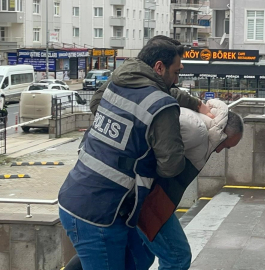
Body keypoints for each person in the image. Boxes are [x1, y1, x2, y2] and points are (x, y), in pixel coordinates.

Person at [58, 37, 212, 270]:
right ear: (159, 67)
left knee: (141, 258)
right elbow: (171, 166)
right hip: (100, 215)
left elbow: (100, 105)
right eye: (176, 71)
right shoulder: (163, 107)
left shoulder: (118, 82)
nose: (177, 79)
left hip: (78, 196)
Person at [64, 99, 244, 270]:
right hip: (140, 196)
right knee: (178, 257)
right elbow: (153, 153)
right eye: (226, 146)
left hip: (136, 195)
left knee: (140, 255)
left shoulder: (196, 124)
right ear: (223, 132)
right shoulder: (195, 130)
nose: (220, 150)